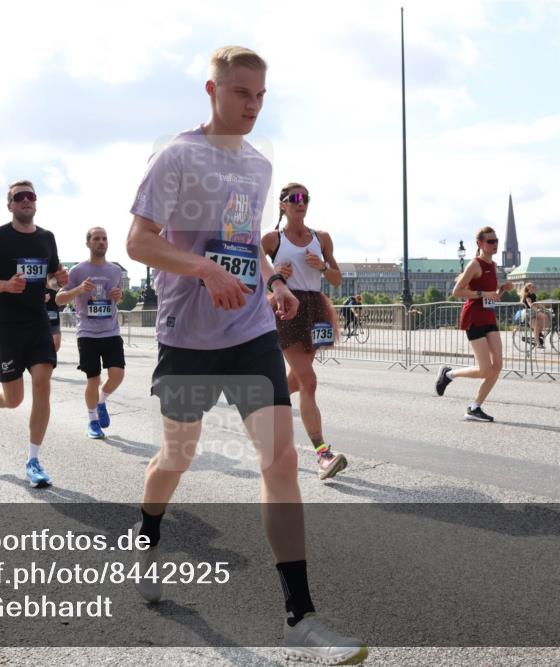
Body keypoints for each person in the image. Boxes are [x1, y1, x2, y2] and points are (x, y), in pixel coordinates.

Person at [125, 45, 367, 664]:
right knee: (177, 455)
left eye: (261, 95)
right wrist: (204, 270)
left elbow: (240, 241)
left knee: (281, 460)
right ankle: (146, 535)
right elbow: (139, 242)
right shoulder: (176, 155)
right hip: (187, 334)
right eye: (241, 93)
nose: (253, 105)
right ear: (212, 91)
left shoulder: (258, 166)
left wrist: (274, 282)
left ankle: (299, 617)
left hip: (252, 329)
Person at [0, 179, 69, 488]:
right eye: (19, 196)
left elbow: (51, 280)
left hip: (38, 323)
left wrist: (60, 280)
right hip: (8, 326)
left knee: (42, 384)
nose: (26, 200)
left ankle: (33, 460)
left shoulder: (47, 238)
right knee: (13, 399)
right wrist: (4, 285)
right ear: (10, 204)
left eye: (31, 196)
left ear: (36, 202)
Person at [261, 182, 347, 480]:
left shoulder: (321, 238)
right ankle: (323, 453)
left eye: (305, 198)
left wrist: (322, 266)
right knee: (308, 381)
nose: (301, 202)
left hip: (315, 309)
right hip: (286, 307)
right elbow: (252, 275)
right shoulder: (272, 239)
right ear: (282, 204)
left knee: (299, 379)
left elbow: (336, 280)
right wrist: (275, 277)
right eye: (295, 198)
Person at [435, 226, 514, 421]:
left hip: (489, 317)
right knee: (485, 370)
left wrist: (502, 290)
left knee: (497, 366)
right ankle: (449, 374)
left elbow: (492, 297)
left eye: (496, 241)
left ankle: (474, 407)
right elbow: (457, 292)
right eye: (490, 241)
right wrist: (484, 293)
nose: (495, 244)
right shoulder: (474, 264)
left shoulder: (493, 266)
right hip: (473, 317)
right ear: (480, 243)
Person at [56, 227, 126, 439]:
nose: (101, 242)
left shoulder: (115, 271)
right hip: (87, 333)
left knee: (117, 375)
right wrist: (78, 290)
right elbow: (59, 299)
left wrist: (118, 295)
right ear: (88, 243)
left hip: (111, 331)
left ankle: (101, 401)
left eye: (104, 238)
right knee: (93, 380)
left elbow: (119, 297)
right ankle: (93, 421)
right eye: (96, 238)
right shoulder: (77, 271)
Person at [519, 283, 549, 348]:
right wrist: (537, 310)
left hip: (534, 312)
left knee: (544, 317)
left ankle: (539, 332)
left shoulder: (534, 295)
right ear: (528, 288)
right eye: (532, 287)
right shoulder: (527, 295)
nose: (534, 288)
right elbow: (530, 304)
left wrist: (545, 309)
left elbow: (538, 303)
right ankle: (538, 344)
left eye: (534, 287)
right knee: (536, 327)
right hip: (528, 313)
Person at [44, 278, 63, 352]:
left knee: (56, 345)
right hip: (40, 320)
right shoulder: (37, 284)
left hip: (54, 320)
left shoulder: (56, 284)